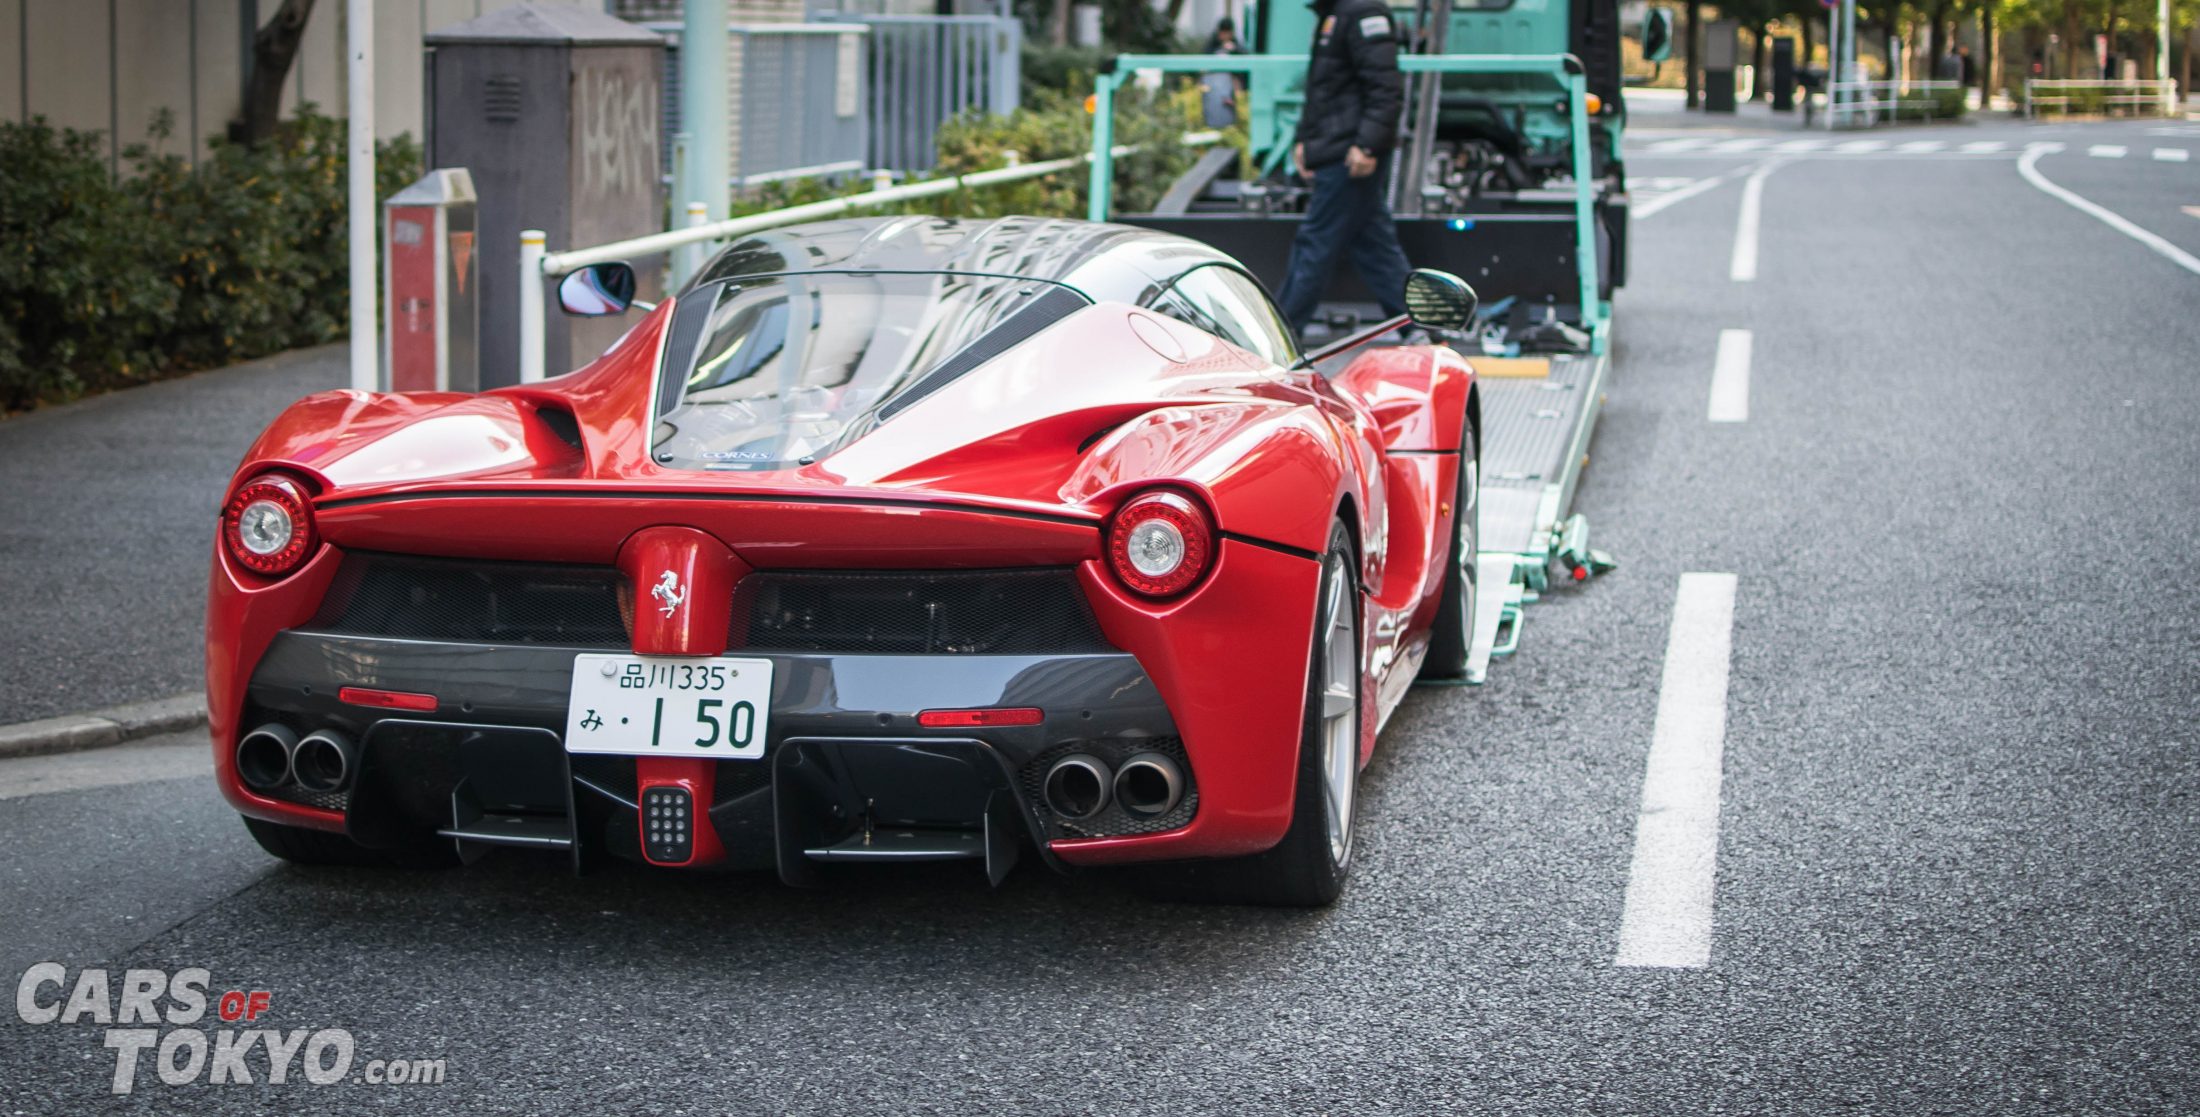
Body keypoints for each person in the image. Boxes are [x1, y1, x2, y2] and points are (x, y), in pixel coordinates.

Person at [1273, 0, 1413, 340]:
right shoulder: (1334, 14)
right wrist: (1307, 140)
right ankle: (1419, 327)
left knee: (1315, 242)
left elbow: (1386, 89)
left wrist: (1367, 146)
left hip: (1349, 155)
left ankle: (1282, 335)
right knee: (1374, 246)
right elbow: (1323, 90)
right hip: (1339, 149)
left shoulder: (1362, 13)